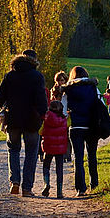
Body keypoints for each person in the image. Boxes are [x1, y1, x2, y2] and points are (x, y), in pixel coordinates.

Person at [0, 49, 48, 196]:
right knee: (31, 152)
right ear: (34, 61)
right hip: (32, 119)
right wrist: (42, 113)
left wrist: (7, 107)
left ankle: (15, 182)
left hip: (12, 119)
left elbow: (0, 96)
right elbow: (41, 98)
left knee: (13, 150)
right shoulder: (37, 76)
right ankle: (27, 188)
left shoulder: (10, 75)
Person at [64, 65, 100, 197]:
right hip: (91, 126)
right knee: (92, 156)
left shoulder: (68, 89)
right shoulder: (93, 87)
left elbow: (63, 110)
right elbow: (100, 102)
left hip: (76, 126)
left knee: (78, 157)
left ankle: (80, 188)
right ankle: (94, 184)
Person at [40, 99, 68, 199]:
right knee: (59, 169)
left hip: (48, 147)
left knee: (46, 166)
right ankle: (59, 192)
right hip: (60, 148)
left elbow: (40, 132)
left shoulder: (46, 118)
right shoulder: (64, 120)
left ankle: (46, 184)